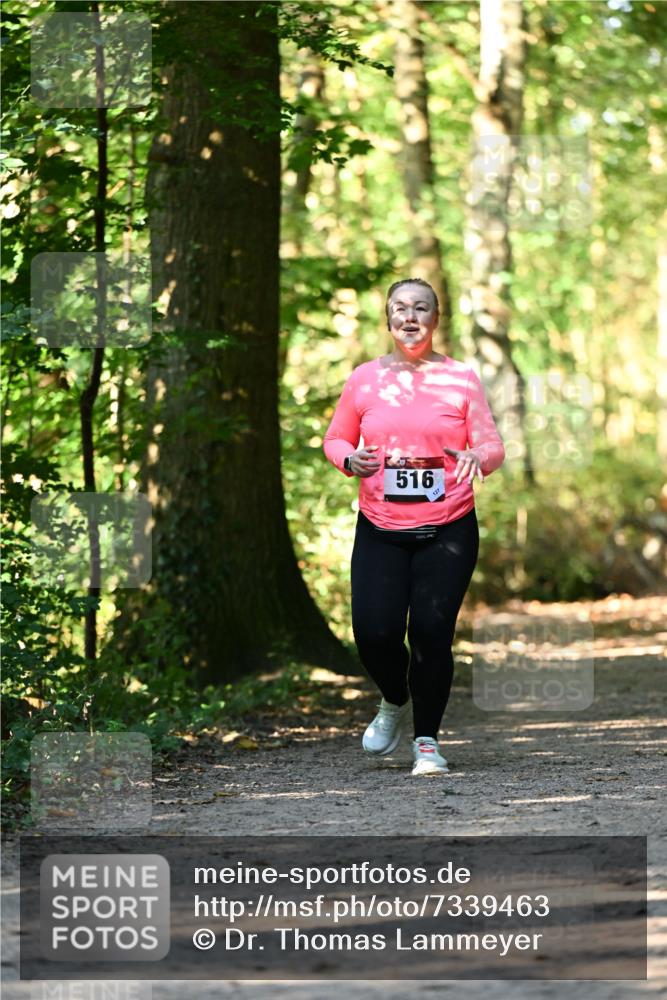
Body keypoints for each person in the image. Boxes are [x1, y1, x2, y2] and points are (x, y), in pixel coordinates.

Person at [323, 278, 505, 776]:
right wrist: (349, 458)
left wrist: (476, 456)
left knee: (430, 631)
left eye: (421, 308)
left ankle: (427, 742)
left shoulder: (461, 379)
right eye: (400, 308)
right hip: (380, 528)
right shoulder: (365, 379)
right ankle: (393, 699)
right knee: (374, 633)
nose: (410, 316)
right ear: (388, 319)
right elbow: (336, 438)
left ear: (435, 318)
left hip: (448, 527)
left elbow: (493, 446)